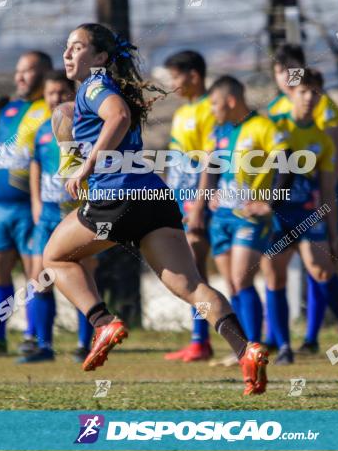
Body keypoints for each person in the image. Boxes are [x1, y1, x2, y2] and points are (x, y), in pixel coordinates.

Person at [42, 23, 268, 395]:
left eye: (77, 47)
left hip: (119, 197)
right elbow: (114, 121)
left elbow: (118, 118)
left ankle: (102, 323)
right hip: (154, 198)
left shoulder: (95, 86)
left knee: (54, 257)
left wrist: (87, 166)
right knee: (191, 285)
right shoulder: (104, 88)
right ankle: (246, 349)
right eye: (66, 47)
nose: (67, 54)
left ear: (99, 58)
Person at [194, 75, 291, 367]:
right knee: (232, 286)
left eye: (214, 103)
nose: (211, 109)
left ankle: (254, 348)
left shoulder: (262, 127)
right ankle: (243, 349)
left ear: (231, 100)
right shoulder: (219, 131)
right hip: (221, 217)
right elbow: (211, 166)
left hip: (248, 219)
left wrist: (270, 202)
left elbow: (286, 161)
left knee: (241, 278)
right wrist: (205, 199)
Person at [261, 69, 338, 364]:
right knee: (274, 277)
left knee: (322, 269)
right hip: (277, 215)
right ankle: (285, 348)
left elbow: (329, 191)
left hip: (308, 215)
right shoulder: (274, 127)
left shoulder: (322, 140)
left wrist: (333, 231)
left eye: (316, 92)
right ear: (292, 93)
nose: (310, 98)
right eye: (304, 91)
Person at [0, 51, 53, 357]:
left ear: (44, 74)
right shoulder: (10, 110)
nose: (19, 77)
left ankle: (36, 338)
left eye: (27, 71)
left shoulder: (51, 109)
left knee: (37, 275)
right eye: (18, 71)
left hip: (31, 206)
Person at [20, 71, 80, 363]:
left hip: (77, 214)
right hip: (46, 213)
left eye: (62, 92)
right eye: (51, 93)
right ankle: (44, 346)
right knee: (39, 278)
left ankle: (86, 343)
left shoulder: (85, 125)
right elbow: (35, 168)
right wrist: (35, 202)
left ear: (73, 93)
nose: (56, 98)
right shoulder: (43, 129)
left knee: (84, 276)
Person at [162, 50, 217, 363]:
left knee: (196, 268)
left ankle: (204, 339)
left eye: (176, 76)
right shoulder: (184, 112)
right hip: (181, 200)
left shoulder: (211, 108)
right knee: (191, 269)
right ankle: (200, 339)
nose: (172, 83)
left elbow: (211, 158)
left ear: (194, 75)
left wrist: (199, 203)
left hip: (200, 200)